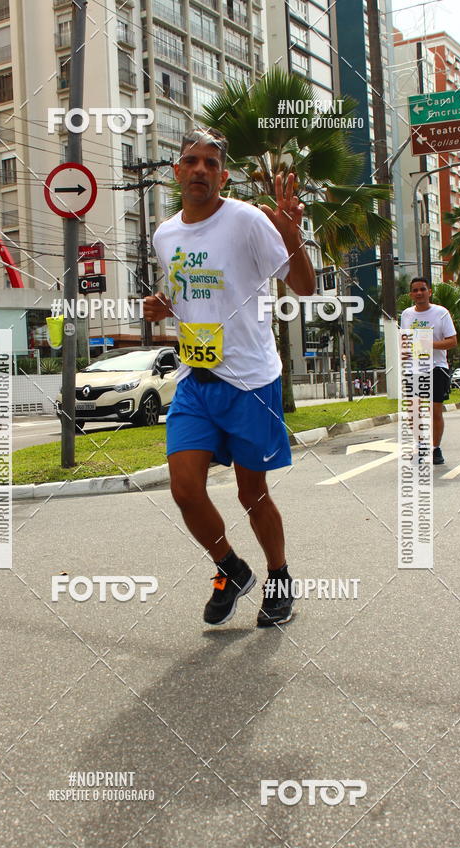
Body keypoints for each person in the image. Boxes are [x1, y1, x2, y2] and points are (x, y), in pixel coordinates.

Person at [144, 127, 315, 628]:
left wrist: (291, 234)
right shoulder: (164, 235)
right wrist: (165, 306)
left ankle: (279, 577)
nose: (200, 169)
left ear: (222, 176)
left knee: (251, 494)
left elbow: (303, 286)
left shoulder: (246, 220)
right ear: (177, 171)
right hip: (196, 379)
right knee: (184, 489)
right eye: (192, 161)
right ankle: (231, 569)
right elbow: (190, 293)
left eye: (211, 163)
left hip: (250, 381)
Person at [400, 277, 457, 465]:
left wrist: (428, 343)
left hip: (436, 367)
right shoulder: (407, 314)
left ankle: (435, 448)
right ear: (411, 294)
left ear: (429, 292)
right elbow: (405, 341)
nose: (419, 293)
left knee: (435, 411)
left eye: (422, 289)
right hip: (413, 369)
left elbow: (452, 341)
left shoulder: (441, 313)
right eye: (415, 290)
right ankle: (421, 446)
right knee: (412, 411)